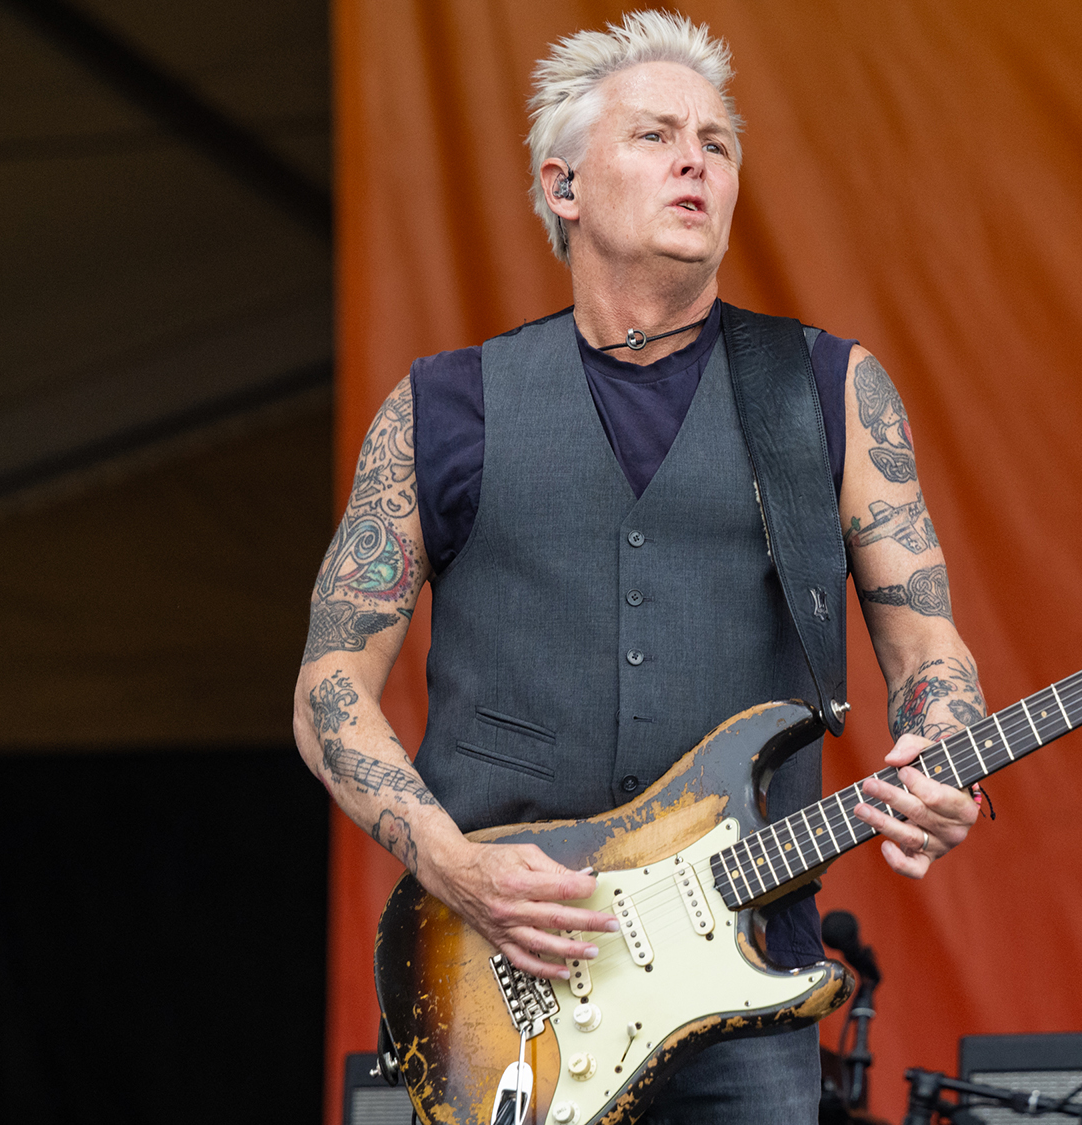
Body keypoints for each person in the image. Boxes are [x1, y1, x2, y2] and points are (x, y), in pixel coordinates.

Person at [292, 11, 984, 1120]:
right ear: (563, 188)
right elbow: (330, 685)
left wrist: (945, 743)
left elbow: (924, 640)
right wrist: (448, 861)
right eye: (656, 135)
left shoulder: (825, 390)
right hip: (499, 983)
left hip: (745, 973)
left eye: (715, 142)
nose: (693, 161)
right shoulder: (443, 408)